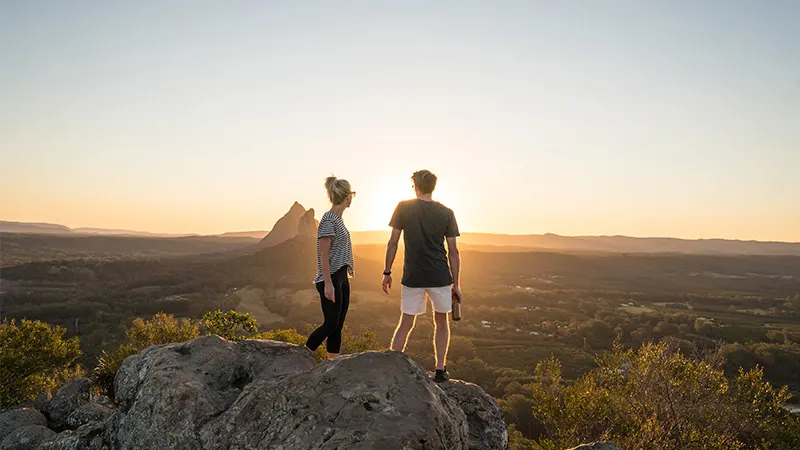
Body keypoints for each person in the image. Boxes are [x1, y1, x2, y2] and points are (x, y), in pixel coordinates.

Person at [382, 169, 461, 382]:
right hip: (440, 276)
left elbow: (392, 242)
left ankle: (391, 368)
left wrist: (387, 272)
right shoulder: (446, 213)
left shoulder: (403, 208)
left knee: (406, 322)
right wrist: (457, 284)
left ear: (415, 186)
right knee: (441, 322)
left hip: (413, 276)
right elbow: (453, 251)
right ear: (433, 187)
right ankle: (440, 370)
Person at [305, 176, 356, 359]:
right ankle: (302, 354)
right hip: (331, 278)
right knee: (331, 323)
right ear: (347, 196)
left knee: (338, 324)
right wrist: (328, 283)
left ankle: (332, 363)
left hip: (341, 277)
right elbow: (323, 255)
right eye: (352, 194)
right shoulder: (328, 219)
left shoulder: (338, 220)